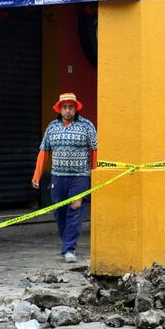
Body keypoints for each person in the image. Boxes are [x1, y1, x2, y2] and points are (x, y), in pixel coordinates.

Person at [31, 92, 97, 263]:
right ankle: (67, 242)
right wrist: (37, 175)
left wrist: (95, 173)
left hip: (80, 178)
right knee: (59, 212)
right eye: (65, 107)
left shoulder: (86, 126)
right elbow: (44, 151)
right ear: (59, 109)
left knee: (75, 211)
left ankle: (69, 248)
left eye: (71, 107)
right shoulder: (52, 127)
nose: (68, 110)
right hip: (57, 177)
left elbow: (95, 150)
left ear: (76, 109)